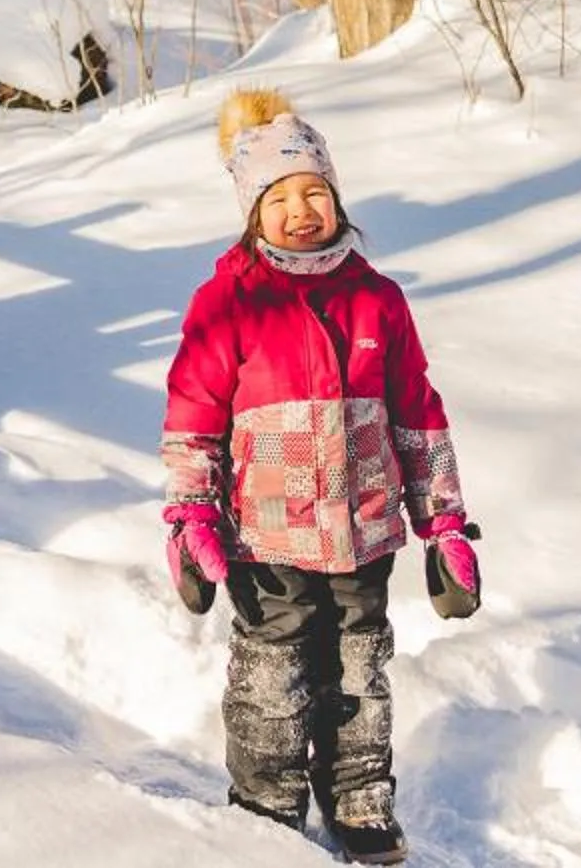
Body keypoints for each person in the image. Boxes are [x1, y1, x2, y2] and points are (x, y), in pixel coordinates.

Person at [161, 87, 480, 866]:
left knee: (359, 670)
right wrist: (190, 515)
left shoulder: (378, 300)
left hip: (364, 530)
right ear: (252, 213)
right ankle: (266, 807)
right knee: (272, 672)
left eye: (315, 193)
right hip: (265, 535)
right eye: (278, 199)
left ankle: (360, 798)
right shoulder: (227, 302)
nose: (300, 211)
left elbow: (418, 415)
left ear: (337, 200)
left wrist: (443, 524)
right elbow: (194, 416)